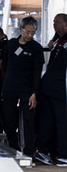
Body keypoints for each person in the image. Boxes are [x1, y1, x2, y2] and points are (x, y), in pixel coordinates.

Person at [1, 16, 44, 158]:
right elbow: (5, 65)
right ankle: (13, 147)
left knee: (28, 120)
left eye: (33, 32)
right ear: (20, 29)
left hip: (27, 89)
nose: (30, 35)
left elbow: (37, 73)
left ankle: (29, 151)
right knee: (9, 119)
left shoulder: (36, 48)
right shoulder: (11, 44)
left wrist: (34, 93)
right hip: (9, 88)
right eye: (28, 32)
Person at [35, 13, 67, 167]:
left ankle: (60, 154)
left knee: (61, 122)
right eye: (53, 22)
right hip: (49, 86)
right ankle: (43, 152)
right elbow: (50, 43)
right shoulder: (58, 40)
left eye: (57, 22)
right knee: (47, 120)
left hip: (60, 87)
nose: (54, 24)